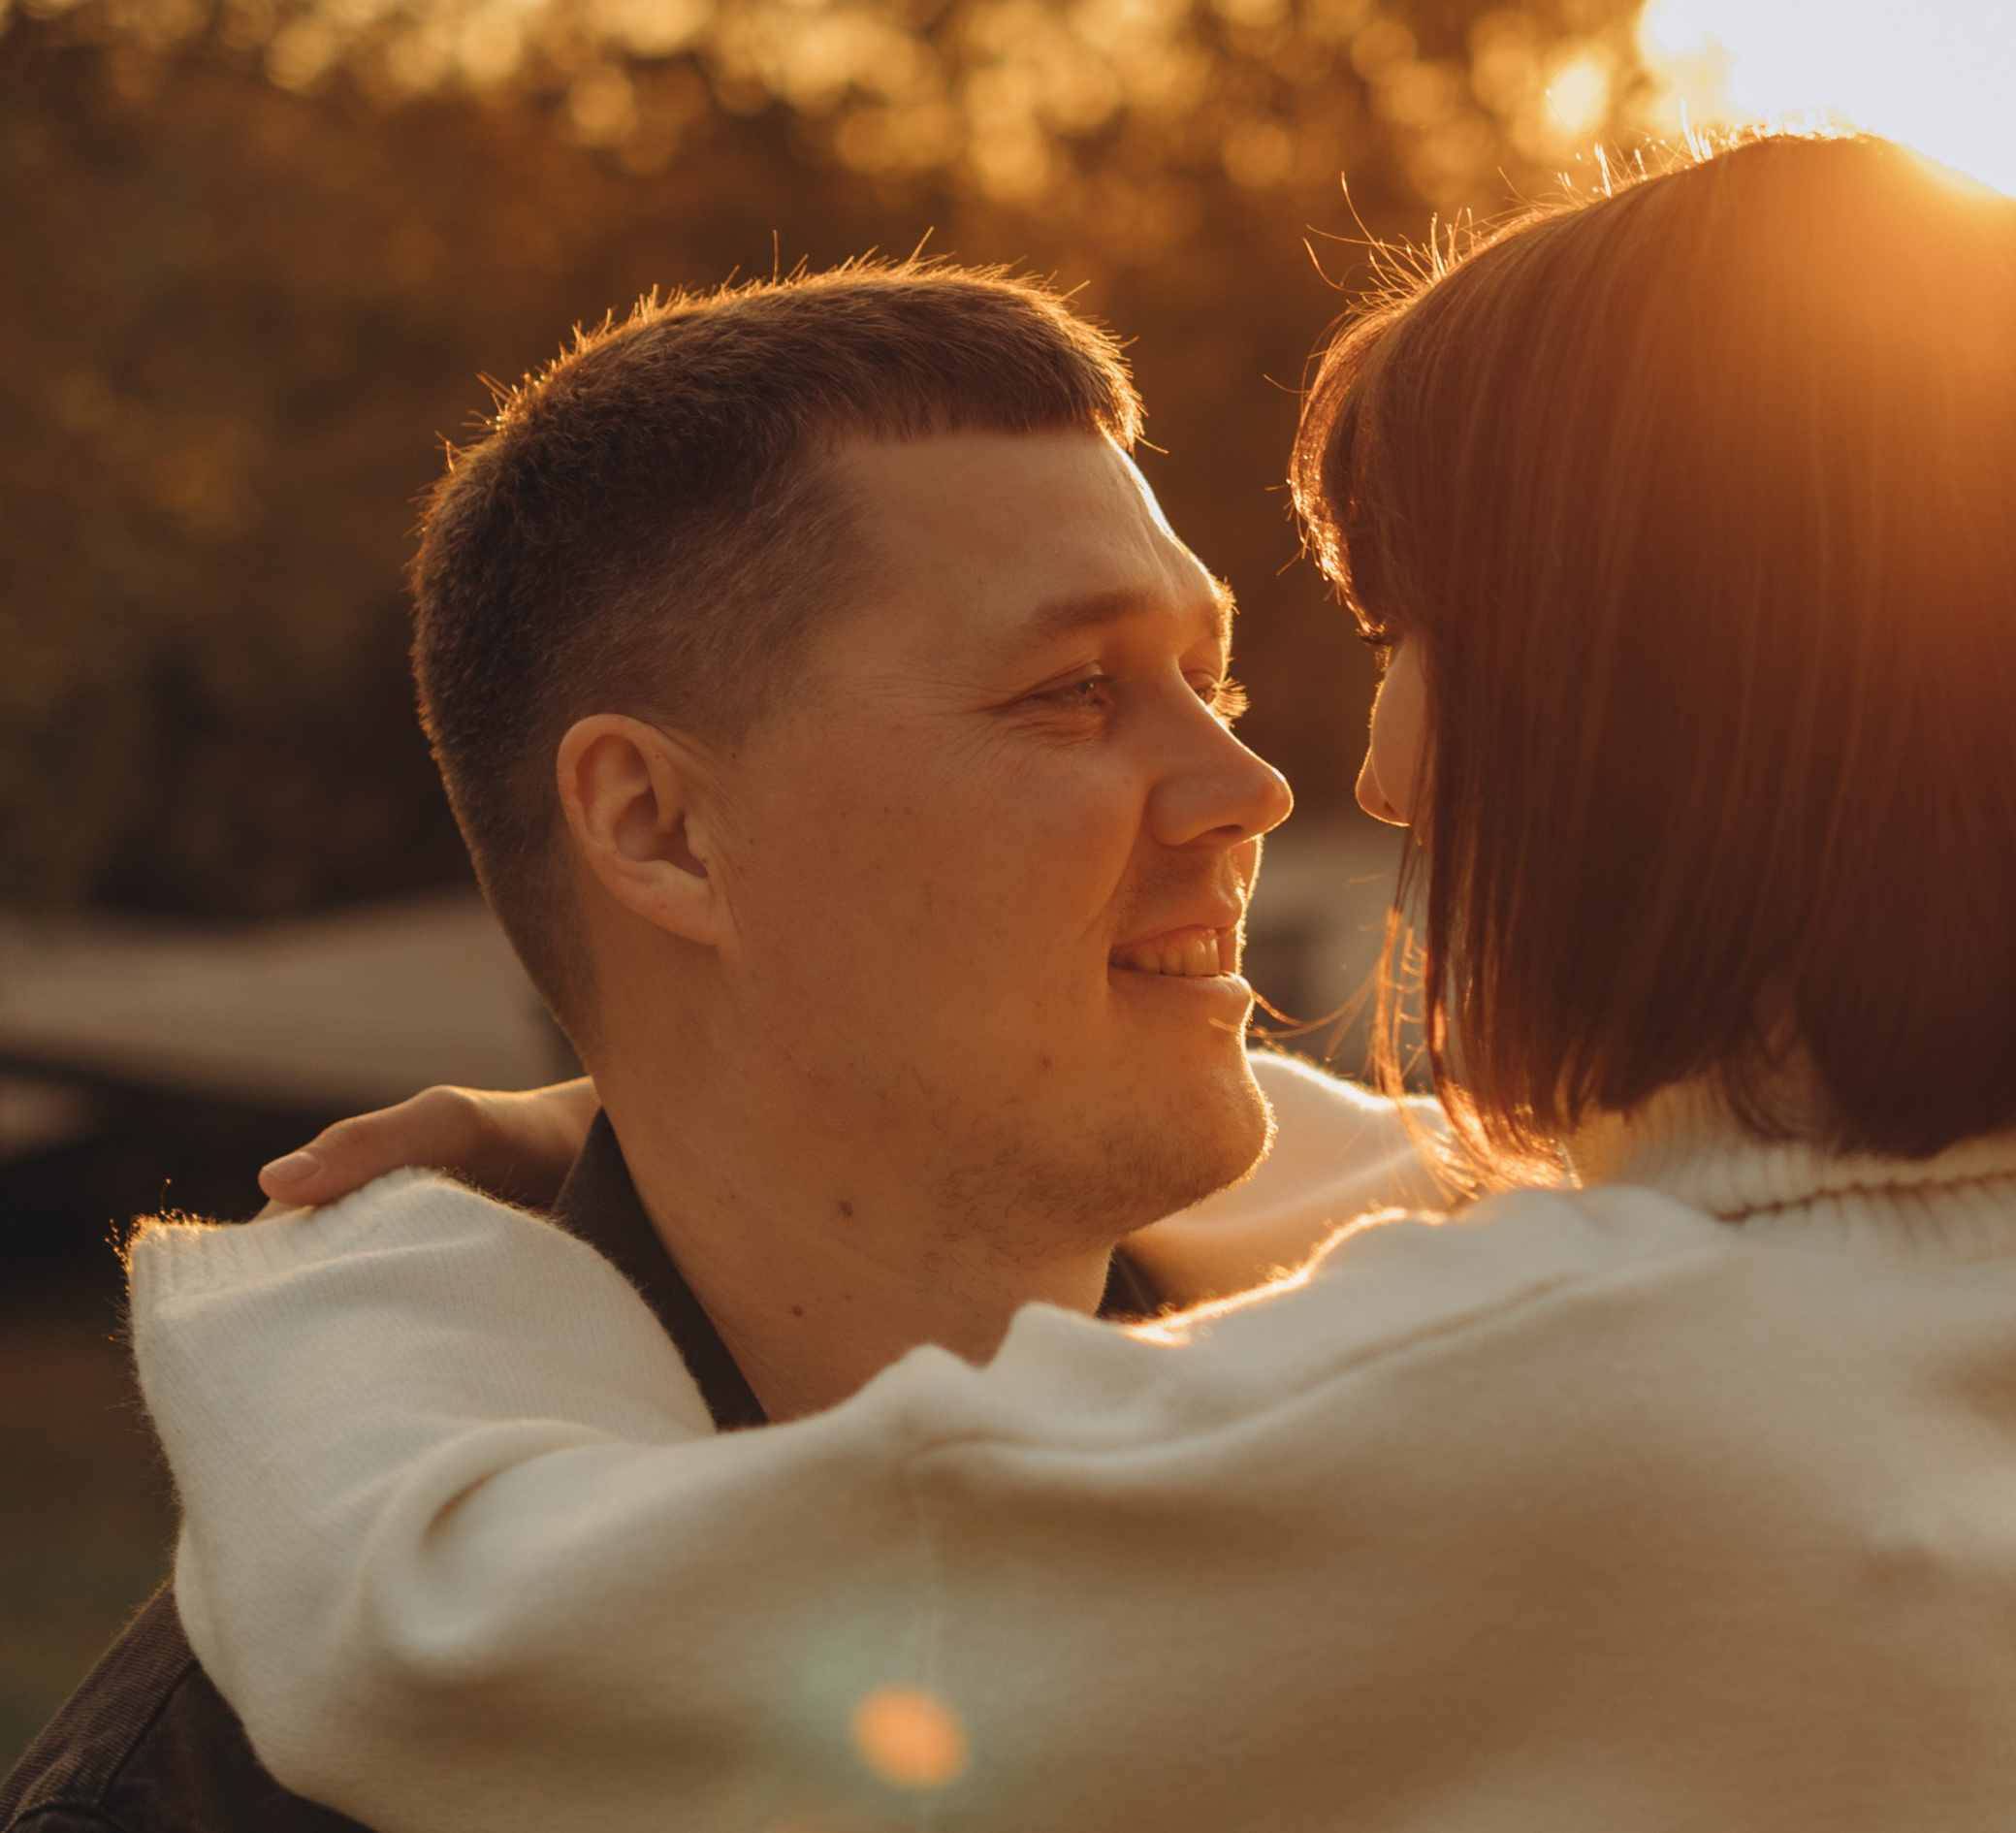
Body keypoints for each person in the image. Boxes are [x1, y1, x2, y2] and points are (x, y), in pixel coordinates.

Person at [123, 131, 2016, 1832]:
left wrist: (322, 1277)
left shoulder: (1542, 1433)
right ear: (656, 829)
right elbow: (1511, 1247)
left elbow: (439, 1631)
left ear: (1665, 707)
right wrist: (615, 1127)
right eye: (1072, 694)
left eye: (1410, 644)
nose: (1333, 769)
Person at [0, 267, 1449, 1833]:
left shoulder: (1456, 1448)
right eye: (1075, 693)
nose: (1249, 785)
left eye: (1208, 677)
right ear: (661, 828)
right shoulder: (252, 1795)